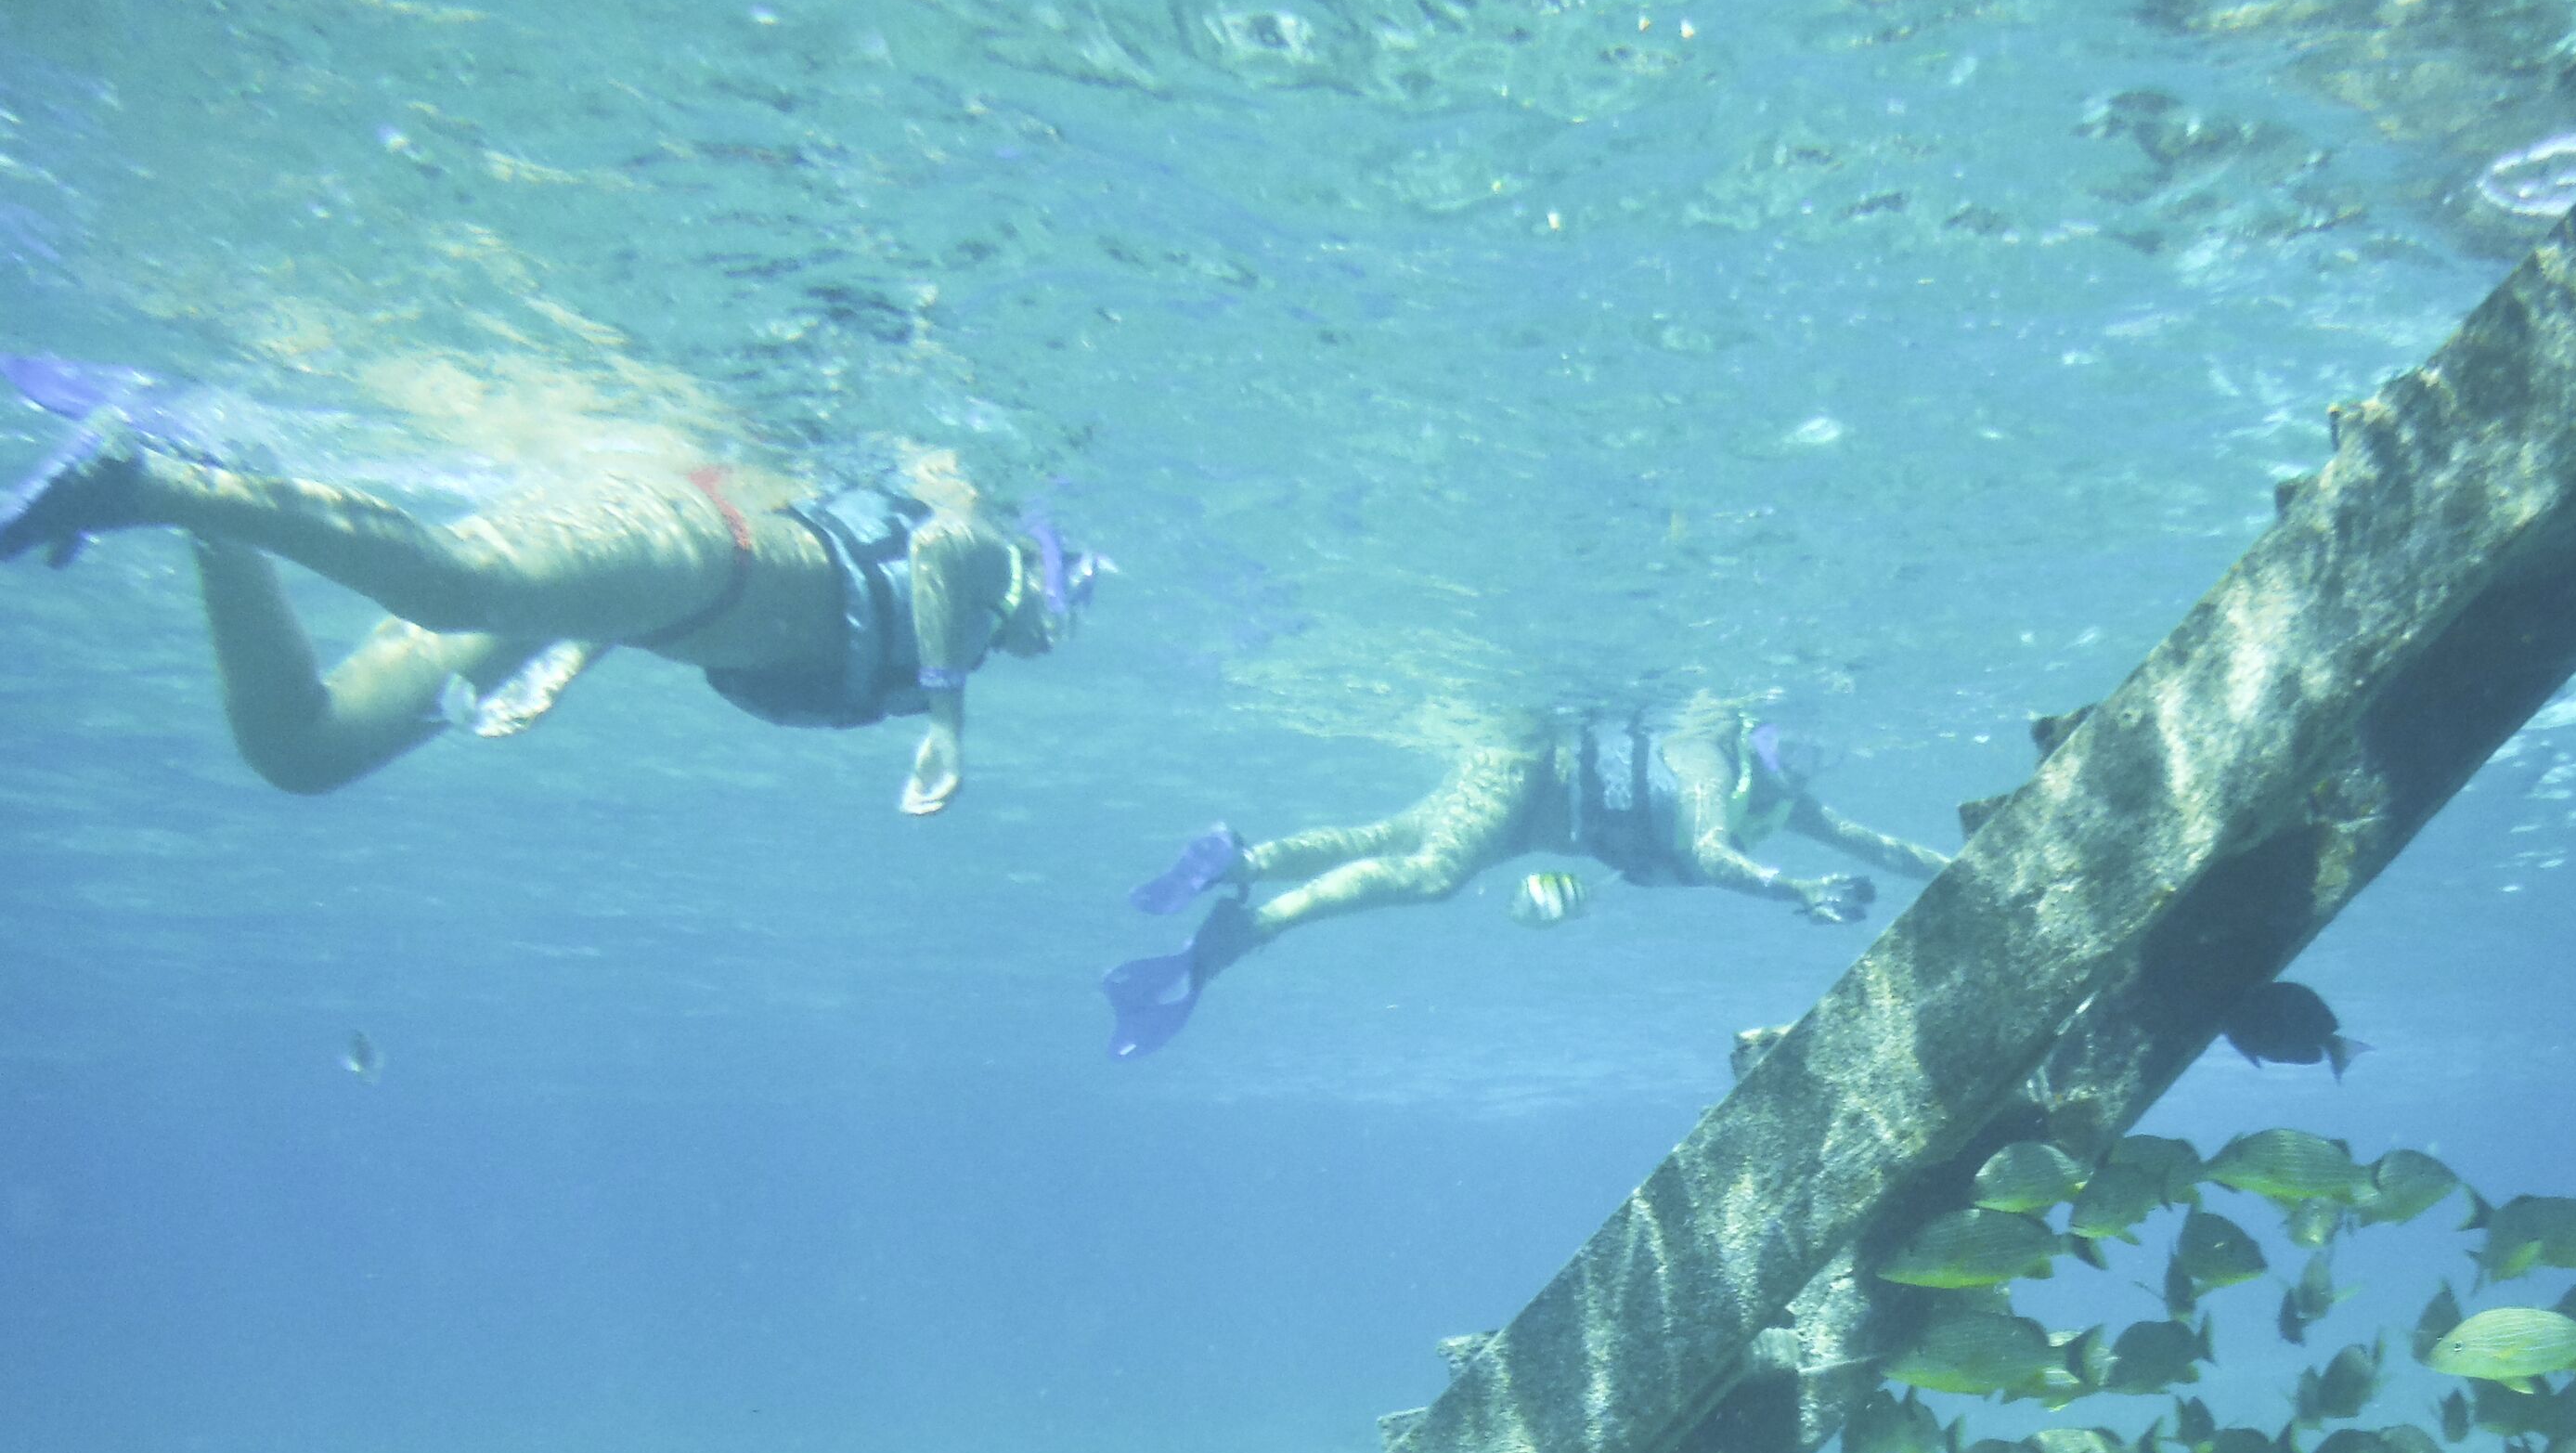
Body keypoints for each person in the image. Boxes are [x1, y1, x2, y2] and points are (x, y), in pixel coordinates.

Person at [0, 416, 1090, 810]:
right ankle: (141, 481)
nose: (1055, 632)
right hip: (707, 539)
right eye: (1067, 596)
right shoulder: (985, 558)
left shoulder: (975, 625)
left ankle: (214, 503)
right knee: (452, 581)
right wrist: (947, 719)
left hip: (661, 582)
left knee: (306, 750)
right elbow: (944, 545)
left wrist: (571, 657)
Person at [1102, 697, 1948, 1055]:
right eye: (1790, 744)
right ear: (1758, 728)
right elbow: (1705, 853)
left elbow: (1870, 843)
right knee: (1432, 871)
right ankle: (1250, 926)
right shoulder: (1703, 752)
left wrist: (1954, 869)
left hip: (1537, 808)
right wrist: (1790, 890)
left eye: (1817, 756)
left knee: (1393, 834)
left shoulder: (1778, 799)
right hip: (1529, 767)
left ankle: (1238, 862)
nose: (1799, 766)